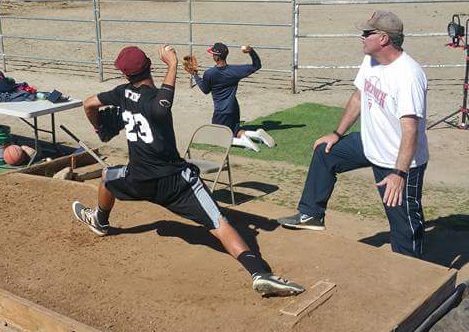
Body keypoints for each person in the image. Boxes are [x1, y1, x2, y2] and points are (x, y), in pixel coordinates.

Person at [73, 44, 305, 297]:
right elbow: (161, 106)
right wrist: (172, 64)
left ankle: (100, 220)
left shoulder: (121, 93)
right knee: (219, 223)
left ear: (124, 74)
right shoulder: (155, 99)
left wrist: (99, 128)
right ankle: (259, 273)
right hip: (176, 182)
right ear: (150, 65)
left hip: (139, 178)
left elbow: (88, 104)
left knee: (107, 177)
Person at [277, 11, 429, 258]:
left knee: (404, 225)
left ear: (383, 38)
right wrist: (337, 134)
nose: (362, 37)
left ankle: (414, 270)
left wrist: (399, 174)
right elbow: (358, 98)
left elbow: (410, 130)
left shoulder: (408, 75)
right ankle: (311, 215)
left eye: (367, 33)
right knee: (325, 153)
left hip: (398, 160)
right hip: (369, 144)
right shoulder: (371, 60)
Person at [186, 42, 274, 152]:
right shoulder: (235, 71)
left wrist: (195, 75)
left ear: (217, 57)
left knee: (218, 138)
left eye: (213, 54)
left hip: (221, 111)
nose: (212, 56)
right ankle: (256, 134)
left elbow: (205, 90)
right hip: (234, 108)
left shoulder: (209, 73)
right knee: (235, 131)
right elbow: (257, 65)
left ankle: (246, 143)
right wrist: (251, 51)